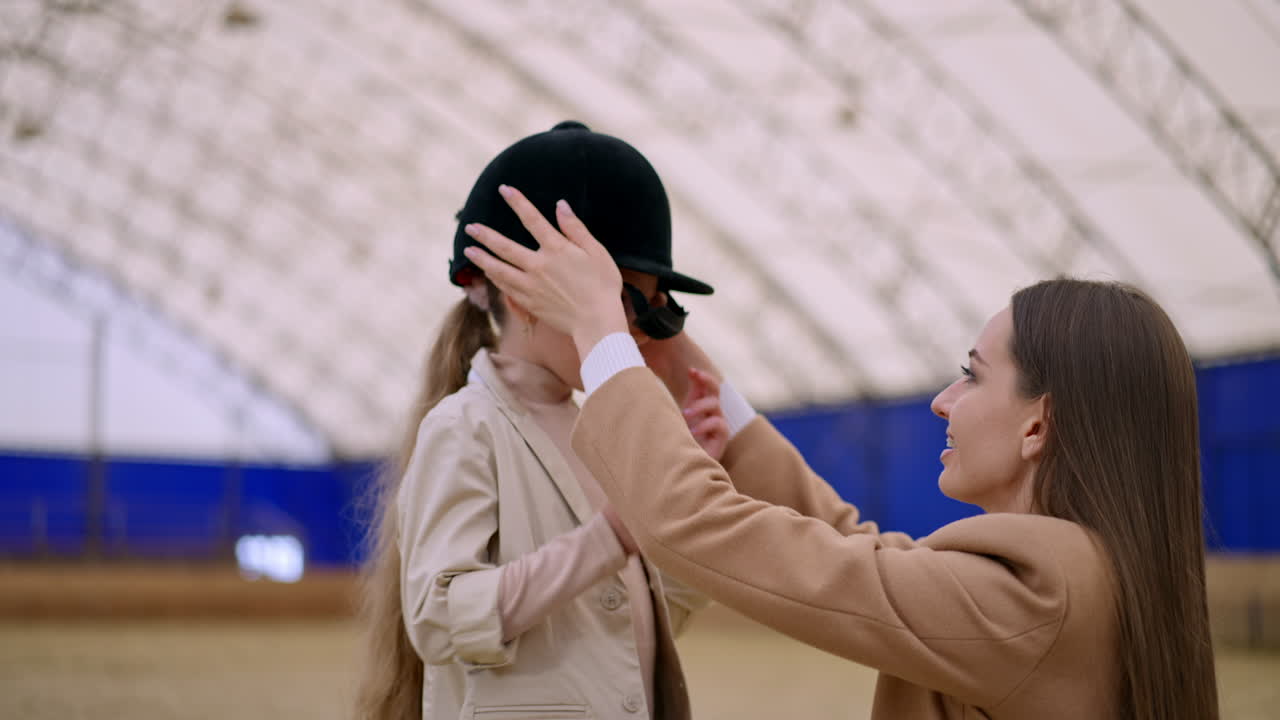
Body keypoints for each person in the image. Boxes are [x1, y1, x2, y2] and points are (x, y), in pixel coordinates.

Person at [460, 187, 1221, 719]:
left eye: (972, 376)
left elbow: (696, 525)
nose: (943, 402)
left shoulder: (1034, 598)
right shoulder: (1078, 576)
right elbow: (859, 555)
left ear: (1037, 425)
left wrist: (604, 334)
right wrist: (698, 379)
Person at [353, 122, 721, 720]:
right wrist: (608, 537)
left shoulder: (596, 428)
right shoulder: (465, 427)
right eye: (619, 299)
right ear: (522, 294)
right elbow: (440, 619)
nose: (632, 328)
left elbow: (628, 623)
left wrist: (692, 495)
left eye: (649, 309)